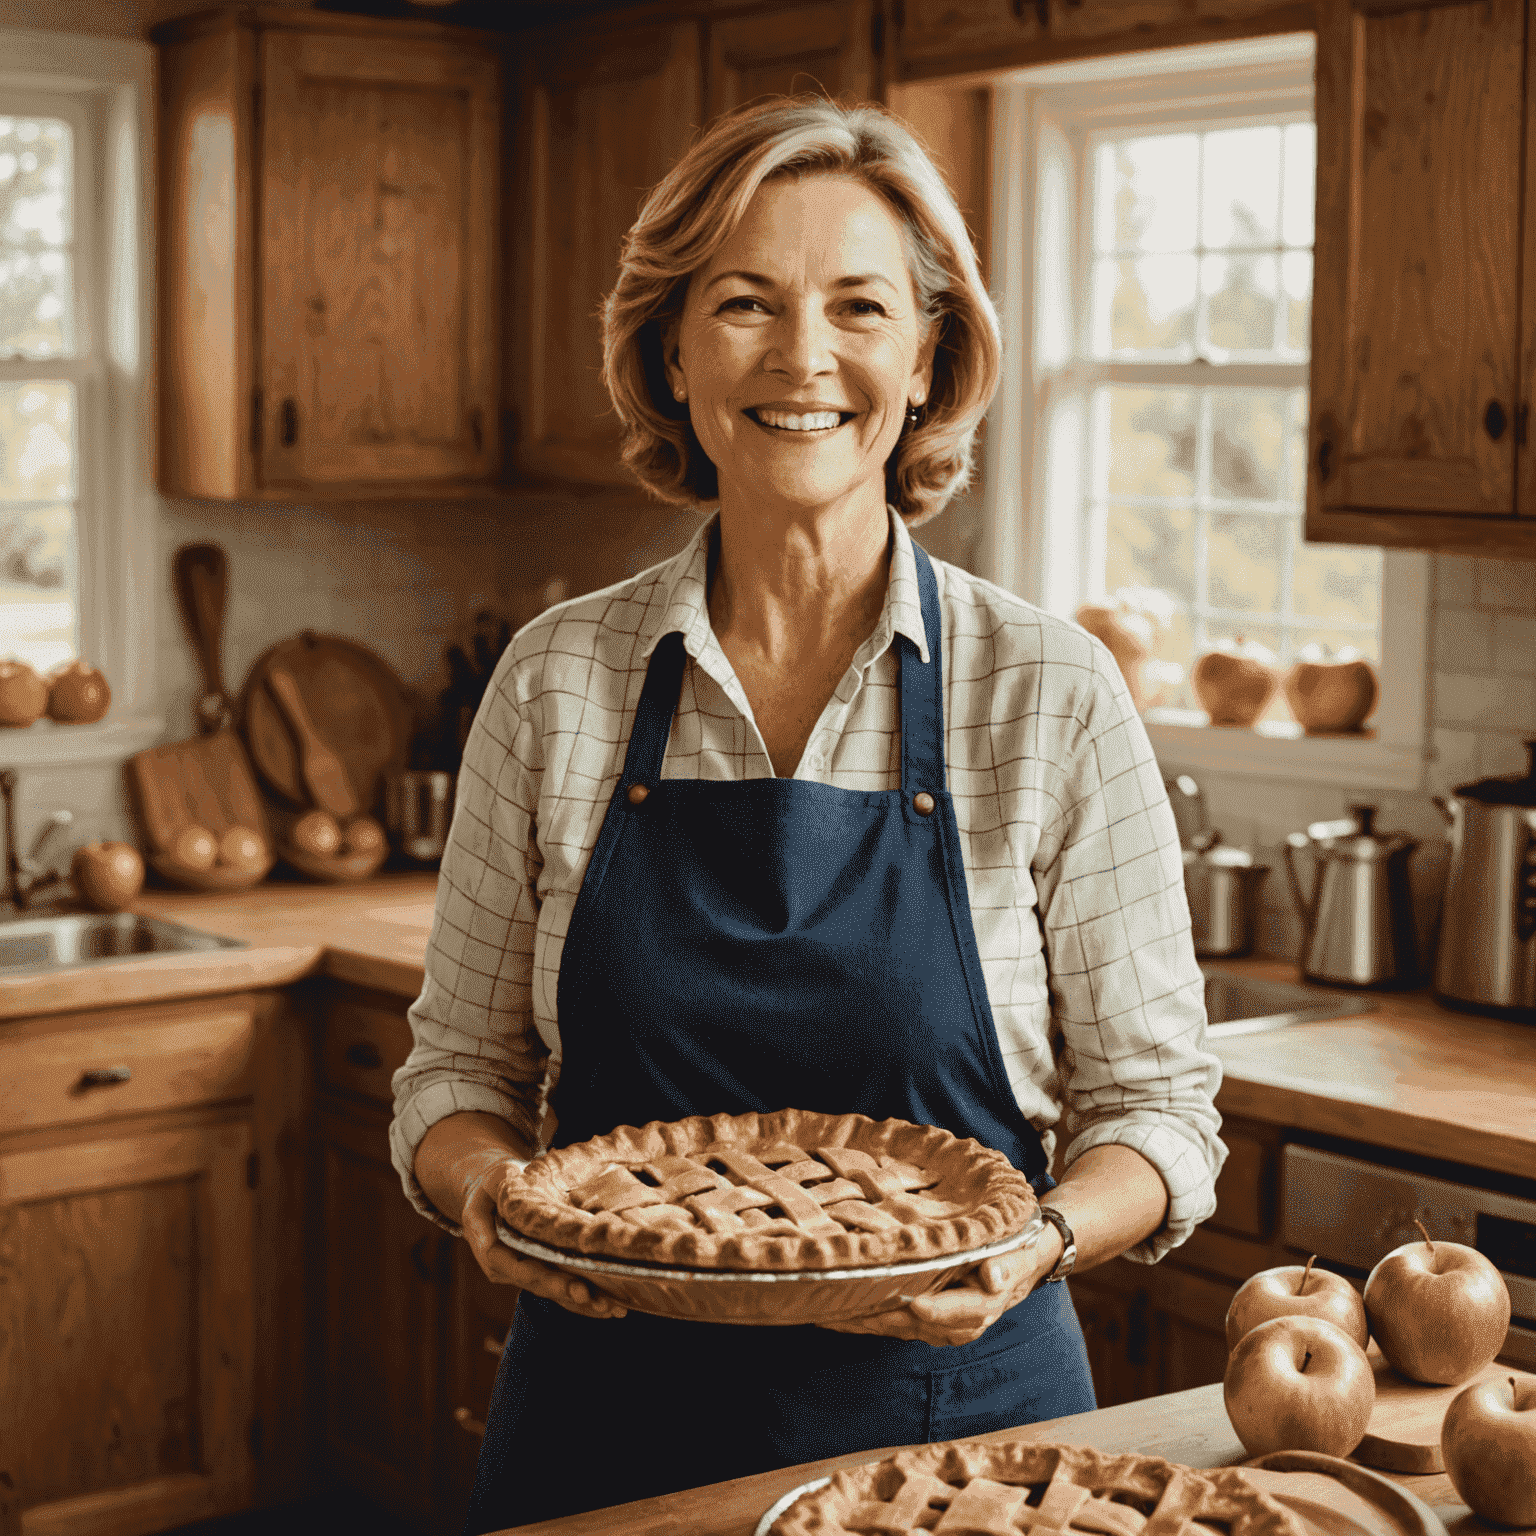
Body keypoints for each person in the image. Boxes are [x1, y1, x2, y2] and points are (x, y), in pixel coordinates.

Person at [390, 95, 1226, 1533]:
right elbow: (452, 1076)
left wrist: (1036, 1241)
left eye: (859, 307)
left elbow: (1160, 1114)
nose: (802, 359)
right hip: (602, 1438)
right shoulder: (556, 683)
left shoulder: (1048, 693)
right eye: (743, 305)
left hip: (961, 1447)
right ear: (669, 349)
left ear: (927, 354)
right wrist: (487, 1197)